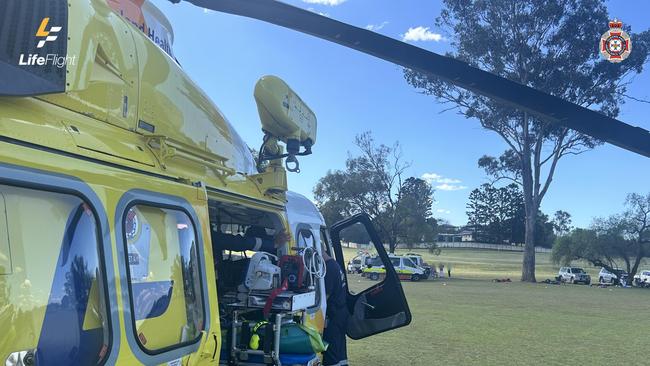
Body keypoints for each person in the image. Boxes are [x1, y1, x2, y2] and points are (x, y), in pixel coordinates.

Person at [321, 245, 349, 366]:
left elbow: (324, 297)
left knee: (331, 352)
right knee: (339, 351)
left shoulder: (329, 268)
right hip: (341, 313)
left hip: (334, 316)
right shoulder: (334, 265)